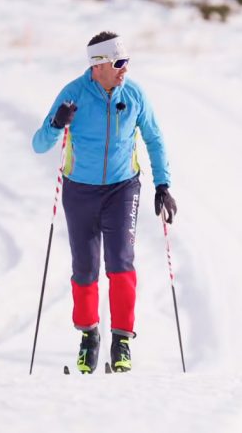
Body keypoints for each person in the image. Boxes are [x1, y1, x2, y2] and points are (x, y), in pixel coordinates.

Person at [32, 31, 177, 374]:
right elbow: (40, 144)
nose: (125, 68)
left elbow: (155, 139)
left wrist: (163, 185)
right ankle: (89, 337)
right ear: (98, 66)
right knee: (84, 268)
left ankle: (121, 341)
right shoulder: (73, 94)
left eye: (127, 61)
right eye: (118, 62)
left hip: (122, 189)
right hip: (79, 191)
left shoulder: (134, 94)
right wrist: (56, 124)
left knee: (121, 262)